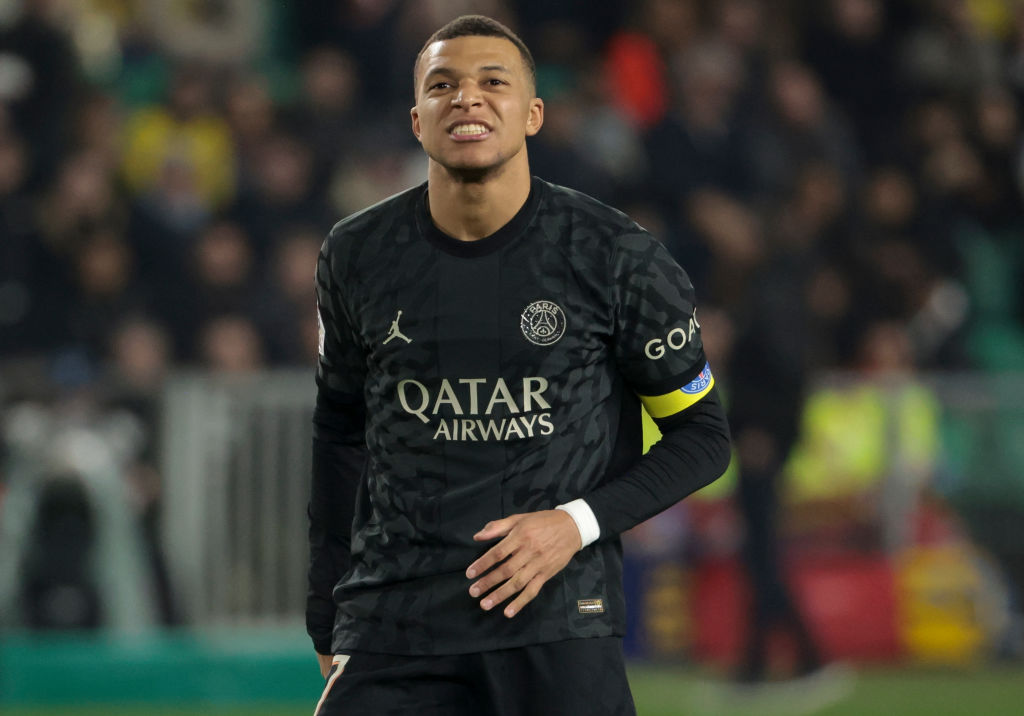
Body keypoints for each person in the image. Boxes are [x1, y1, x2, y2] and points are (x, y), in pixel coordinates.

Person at [306, 15, 731, 716]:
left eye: (491, 82)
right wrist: (326, 603)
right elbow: (339, 435)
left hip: (557, 622)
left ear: (533, 114)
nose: (466, 98)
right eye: (442, 85)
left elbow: (703, 438)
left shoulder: (615, 257)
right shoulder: (356, 255)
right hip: (396, 622)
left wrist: (575, 523)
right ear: (418, 120)